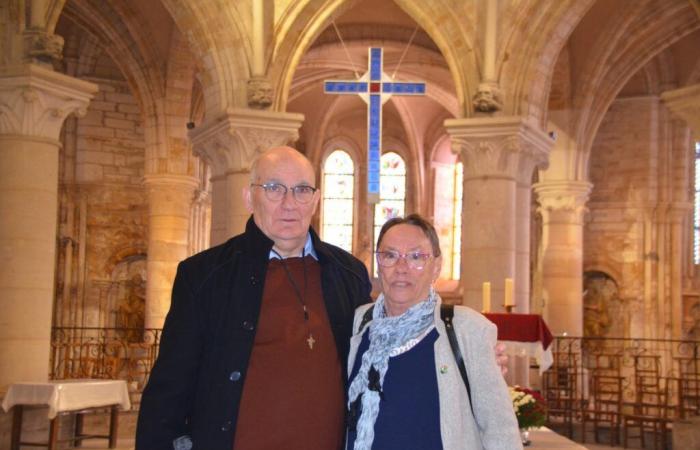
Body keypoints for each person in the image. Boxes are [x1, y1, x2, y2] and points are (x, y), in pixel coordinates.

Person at [136, 146, 509, 450]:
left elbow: (384, 344)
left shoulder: (345, 272)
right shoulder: (205, 275)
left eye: (301, 190)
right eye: (274, 188)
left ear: (315, 199)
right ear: (250, 196)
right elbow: (167, 391)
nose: (289, 203)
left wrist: (477, 355)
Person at [346, 214, 522, 450]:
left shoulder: (466, 329)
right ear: (378, 264)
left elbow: (500, 430)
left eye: (416, 257)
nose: (401, 268)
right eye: (390, 256)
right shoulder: (358, 323)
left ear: (436, 267)